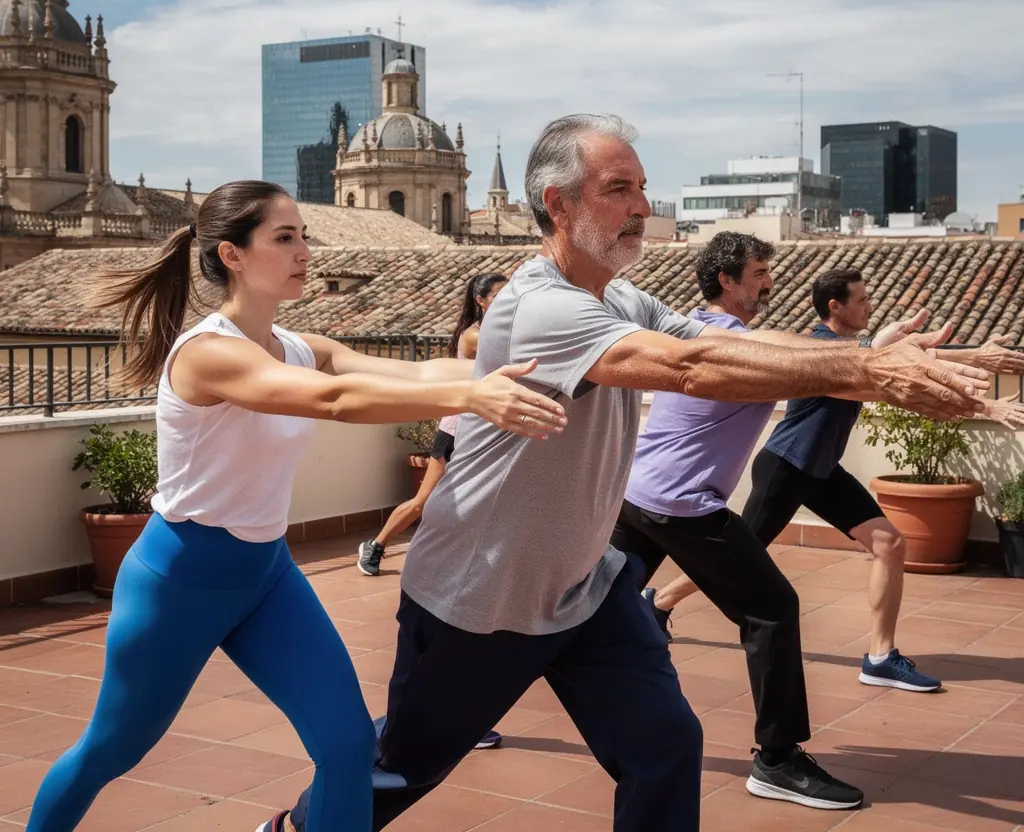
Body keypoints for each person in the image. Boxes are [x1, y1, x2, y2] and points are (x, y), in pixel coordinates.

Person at [268, 114, 989, 832]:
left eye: (642, 187)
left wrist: (864, 352)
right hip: (484, 593)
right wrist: (867, 371)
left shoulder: (614, 295)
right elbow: (691, 367)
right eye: (620, 189)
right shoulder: (542, 308)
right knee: (402, 768)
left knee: (664, 747)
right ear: (559, 205)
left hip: (585, 585)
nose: (642, 206)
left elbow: (717, 339)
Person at [25, 181, 566, 832]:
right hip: (180, 581)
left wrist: (527, 373)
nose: (305, 251)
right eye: (284, 238)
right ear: (232, 254)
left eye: (303, 235)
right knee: (111, 750)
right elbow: (332, 400)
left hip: (265, 577)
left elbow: (413, 373)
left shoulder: (301, 346)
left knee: (347, 746)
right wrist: (473, 401)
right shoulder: (207, 353)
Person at [612, 232, 1024, 812]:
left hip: (637, 496)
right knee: (772, 608)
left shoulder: (693, 330)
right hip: (682, 503)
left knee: (587, 605)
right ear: (726, 281)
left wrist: (899, 351)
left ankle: (485, 693)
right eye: (758, 273)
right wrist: (978, 398)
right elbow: (845, 369)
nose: (769, 283)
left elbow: (836, 356)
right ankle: (777, 760)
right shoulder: (740, 347)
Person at [742, 267, 1024, 694]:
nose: (870, 307)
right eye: (862, 300)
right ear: (835, 307)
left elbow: (916, 359)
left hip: (821, 471)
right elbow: (899, 380)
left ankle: (880, 657)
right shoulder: (822, 351)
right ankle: (660, 602)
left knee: (890, 544)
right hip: (786, 466)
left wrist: (979, 357)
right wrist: (987, 408)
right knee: (737, 555)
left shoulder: (857, 348)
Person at [357, 272, 508, 579]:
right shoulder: (475, 336)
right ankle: (375, 545)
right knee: (423, 500)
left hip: (484, 428)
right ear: (481, 301)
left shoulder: (500, 330)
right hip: (457, 429)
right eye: (498, 295)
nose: (506, 300)